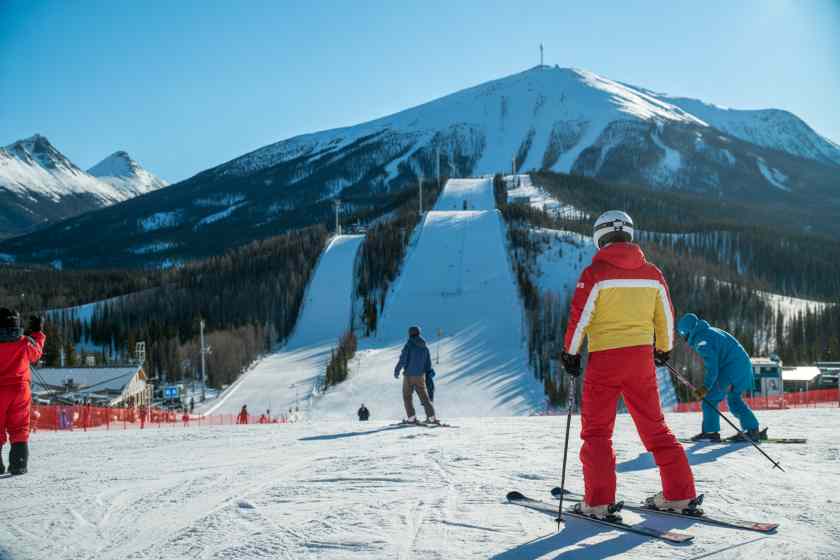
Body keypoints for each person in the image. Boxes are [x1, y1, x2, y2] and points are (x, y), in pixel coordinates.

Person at [561, 210, 698, 519]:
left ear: (600, 237)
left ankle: (598, 501)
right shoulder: (653, 274)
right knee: (655, 428)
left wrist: (571, 352)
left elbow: (580, 316)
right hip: (640, 360)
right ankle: (679, 494)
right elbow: (666, 315)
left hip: (605, 360)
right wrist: (663, 348)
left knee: (597, 433)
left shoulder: (595, 274)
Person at [677, 313, 764, 442]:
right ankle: (752, 430)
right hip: (743, 366)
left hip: (732, 368)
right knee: (734, 399)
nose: (684, 339)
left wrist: (706, 387)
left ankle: (711, 432)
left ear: (688, 332)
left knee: (710, 399)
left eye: (684, 335)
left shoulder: (702, 340)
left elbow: (713, 368)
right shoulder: (710, 331)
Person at [0, 310, 45, 476]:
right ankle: (19, 464)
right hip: (20, 390)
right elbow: (36, 353)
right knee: (19, 427)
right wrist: (37, 333)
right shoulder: (25, 342)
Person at [394, 325, 437, 424]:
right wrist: (428, 372)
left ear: (410, 334)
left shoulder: (409, 345)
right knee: (424, 396)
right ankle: (431, 417)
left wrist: (397, 370)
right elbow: (428, 363)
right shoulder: (424, 347)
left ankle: (412, 418)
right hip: (420, 376)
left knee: (407, 396)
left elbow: (403, 359)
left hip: (409, 375)